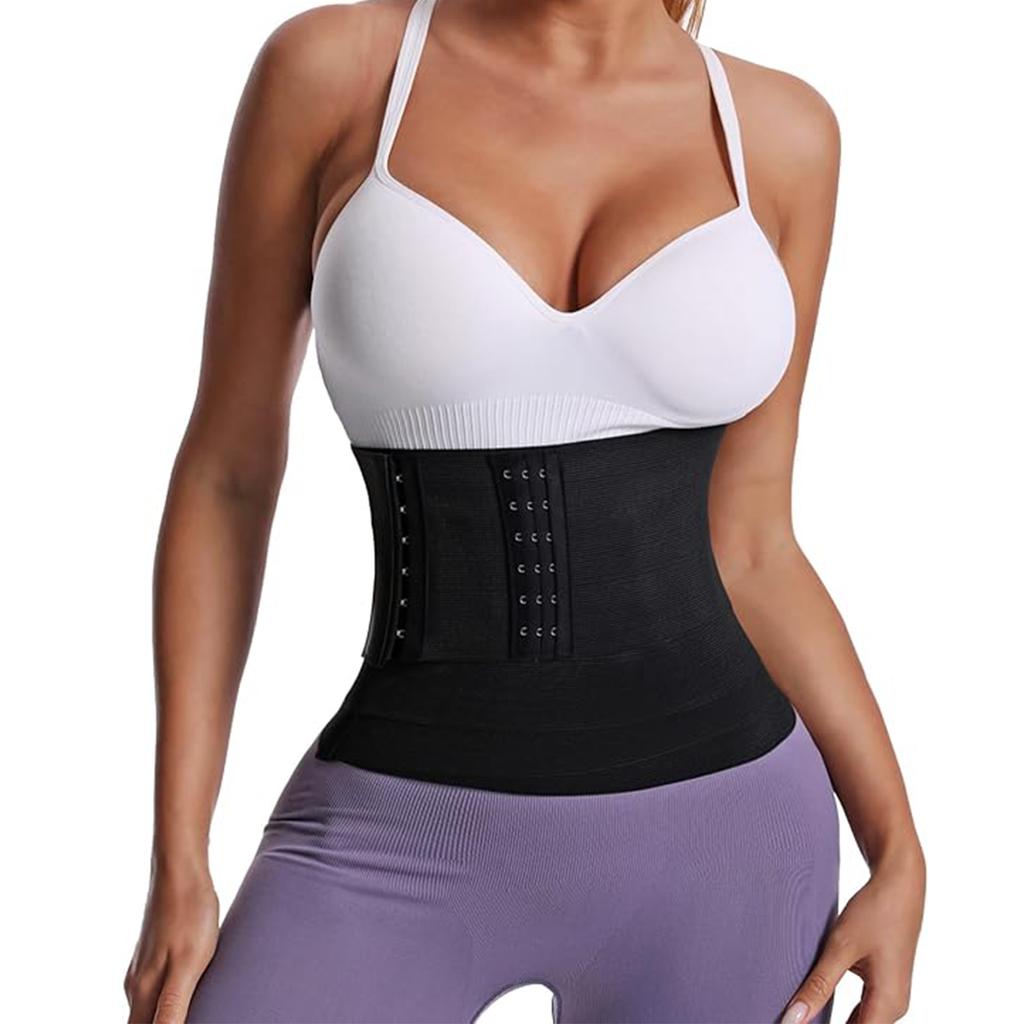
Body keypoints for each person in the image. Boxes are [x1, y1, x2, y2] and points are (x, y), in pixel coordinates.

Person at [124, 1, 925, 1021]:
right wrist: (178, 859)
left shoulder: (779, 132)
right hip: (393, 832)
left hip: (730, 845)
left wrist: (897, 848)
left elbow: (755, 542)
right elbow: (228, 474)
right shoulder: (338, 72)